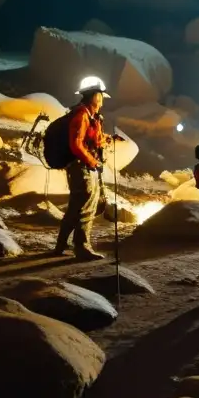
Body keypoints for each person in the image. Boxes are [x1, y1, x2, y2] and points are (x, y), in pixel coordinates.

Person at [54, 76, 114, 260]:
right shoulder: (81, 116)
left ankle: (61, 245)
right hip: (82, 168)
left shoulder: (90, 116)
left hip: (83, 167)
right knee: (87, 206)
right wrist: (92, 161)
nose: (103, 100)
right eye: (101, 96)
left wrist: (106, 139)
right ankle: (82, 248)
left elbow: (90, 140)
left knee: (76, 207)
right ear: (94, 96)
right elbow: (76, 145)